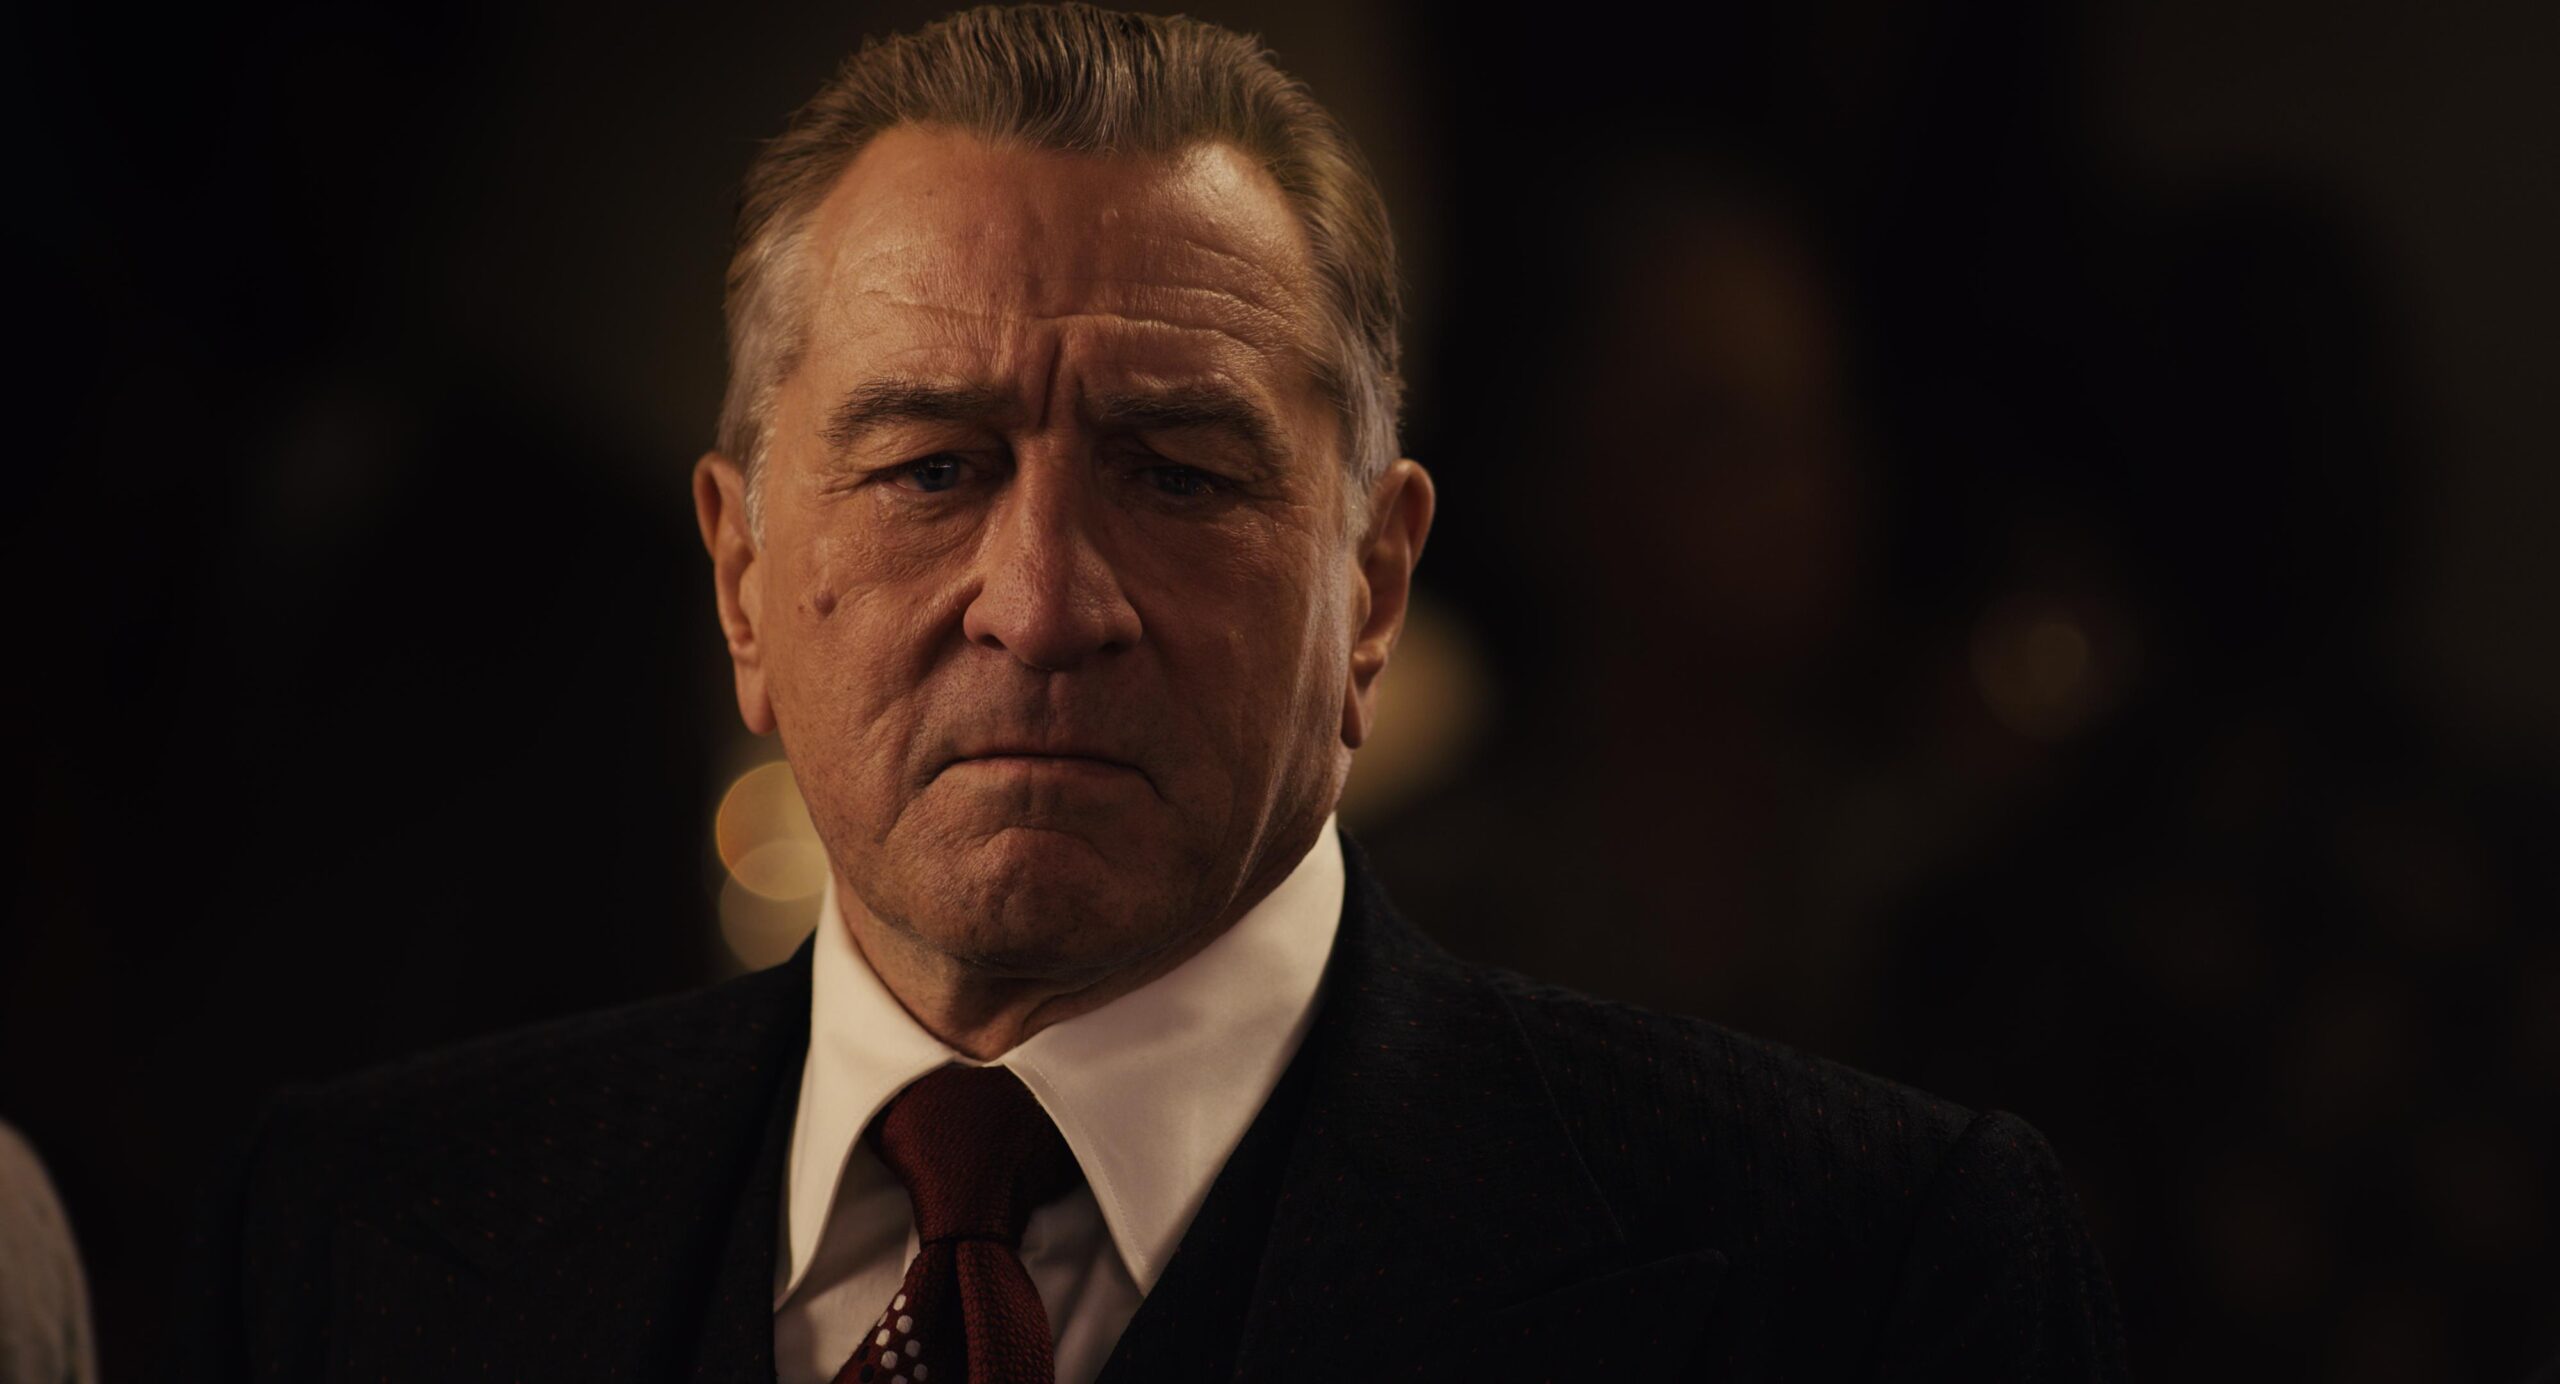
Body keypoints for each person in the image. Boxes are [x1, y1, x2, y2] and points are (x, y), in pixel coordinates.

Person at [181, 6, 2127, 1379]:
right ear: (743, 577)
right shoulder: (359, 1237)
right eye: (931, 466)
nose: (1040, 604)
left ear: (1372, 586)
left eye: (1177, 476)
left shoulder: (1857, 1276)